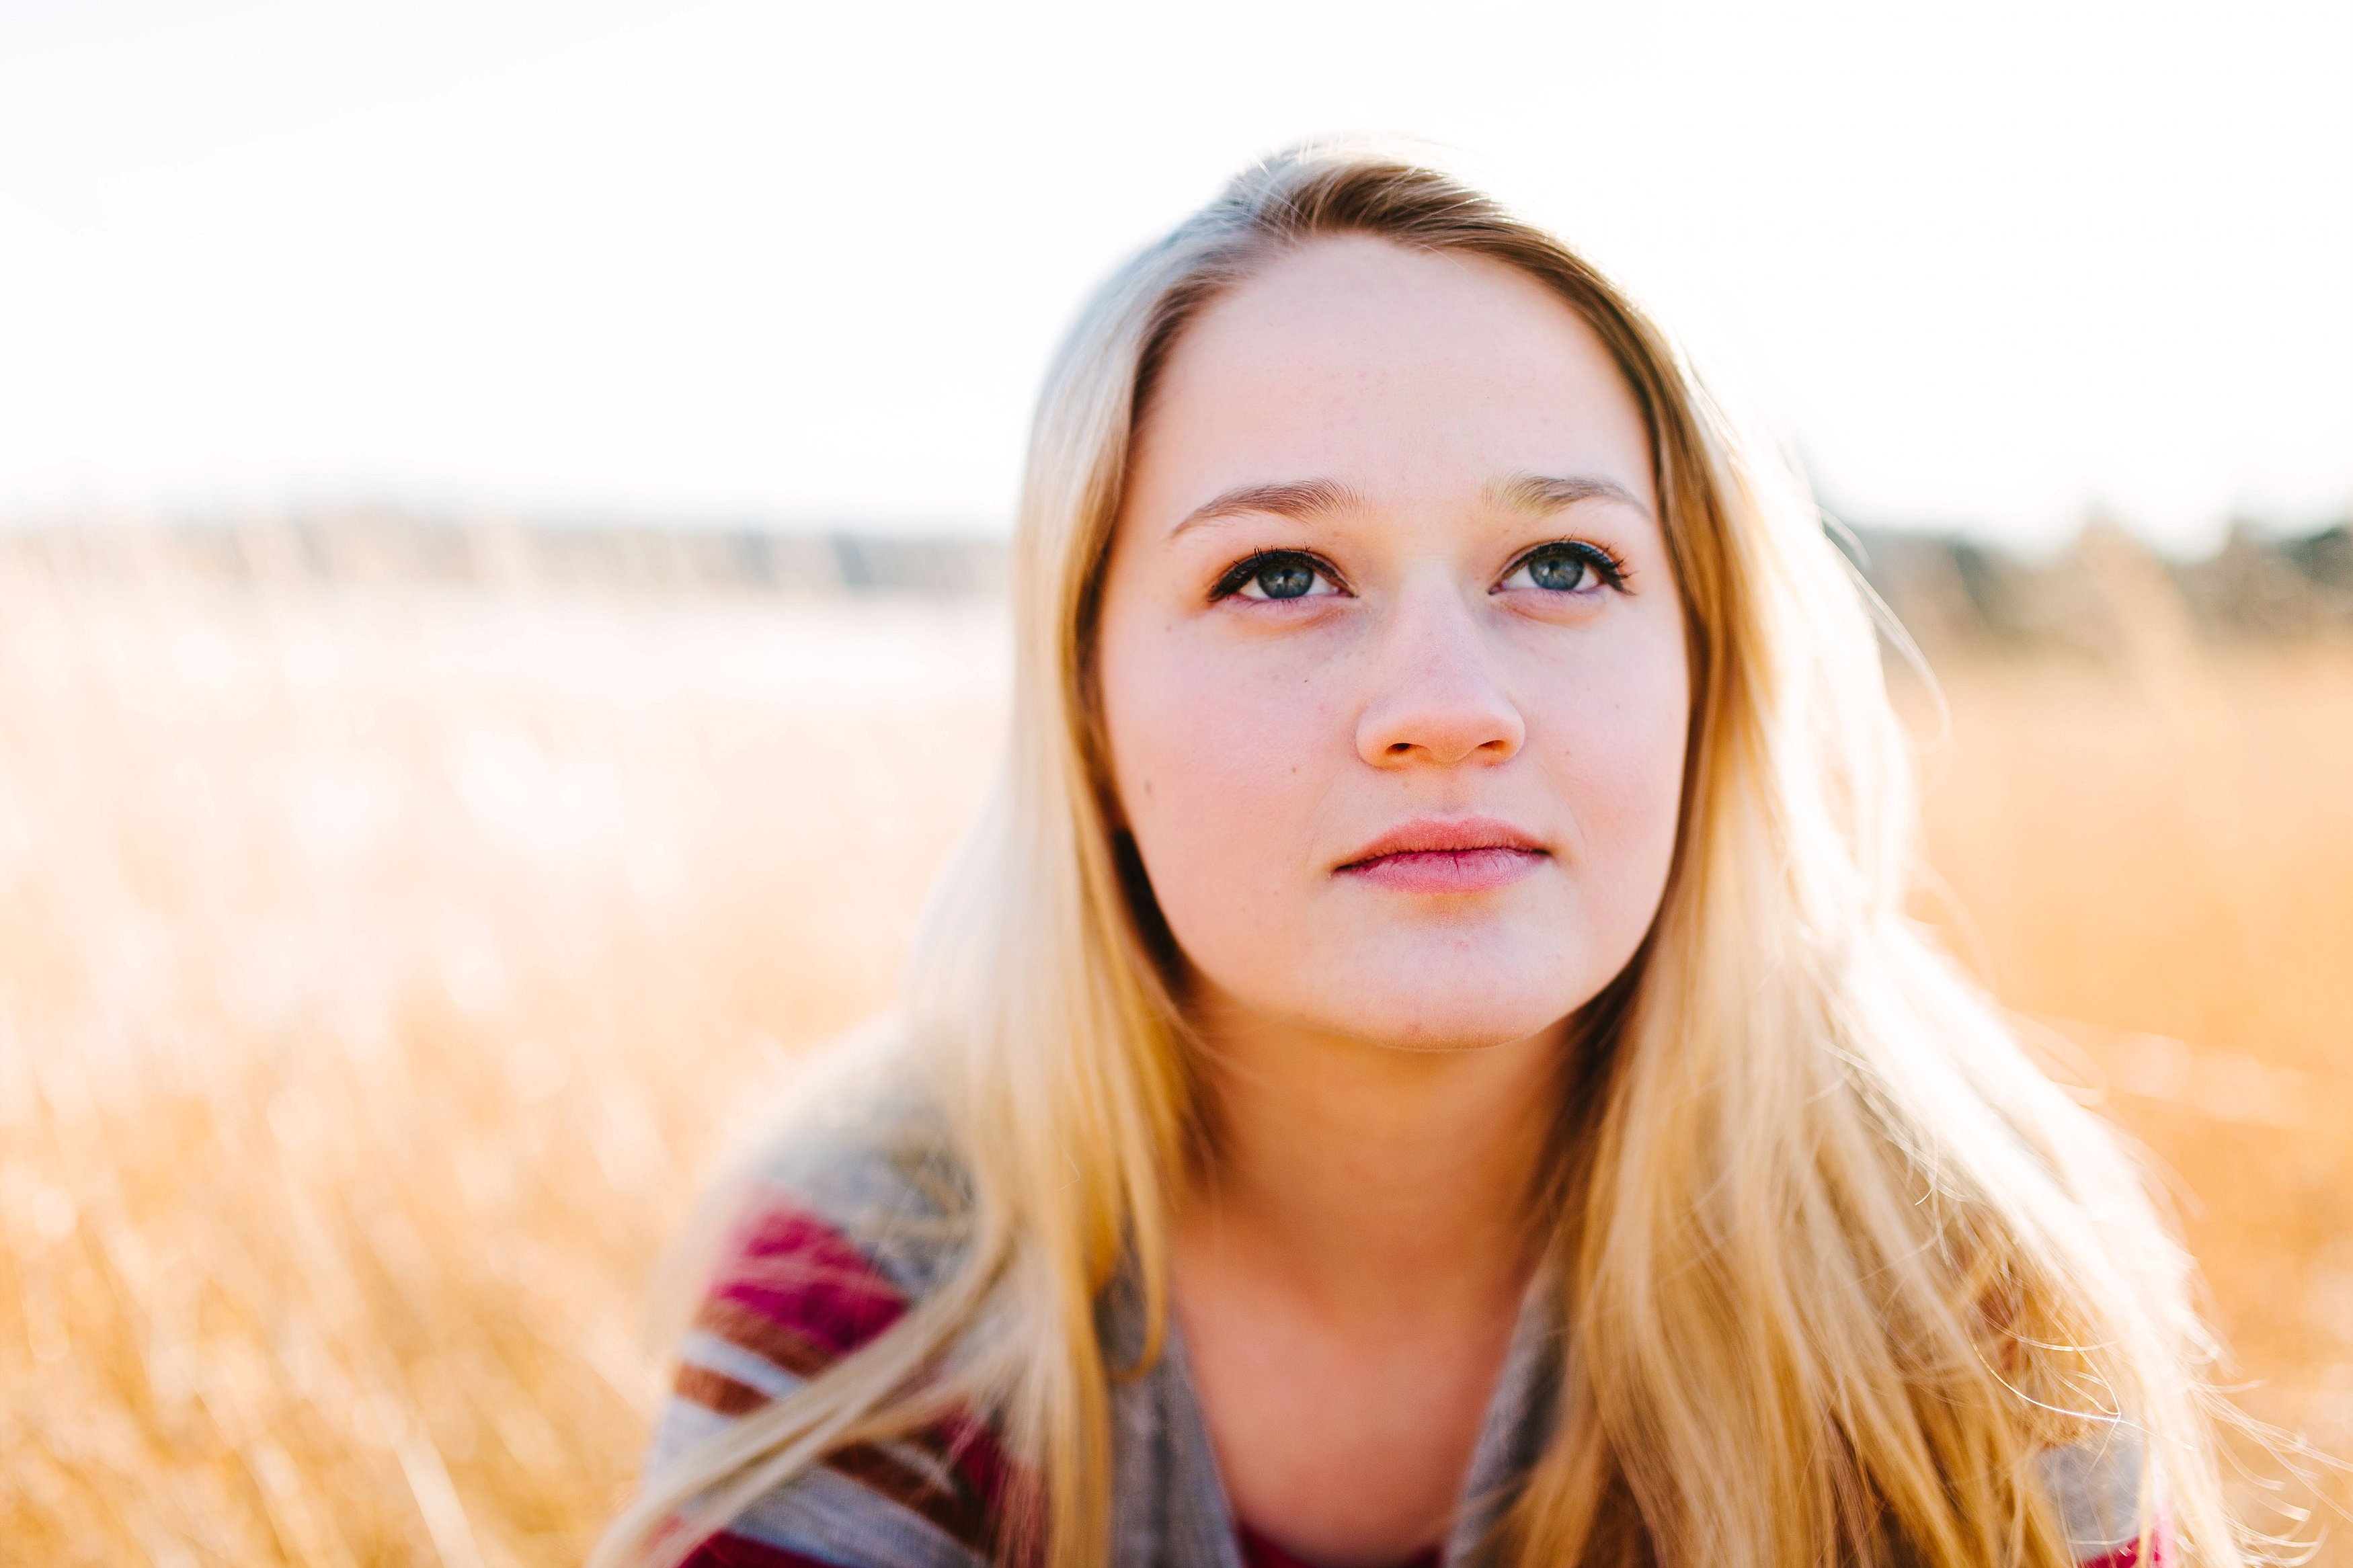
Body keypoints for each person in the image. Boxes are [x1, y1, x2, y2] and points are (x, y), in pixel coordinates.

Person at [594, 144, 2239, 1568]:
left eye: (1564, 563)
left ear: (1709, 674)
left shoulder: (1936, 1279)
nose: (1444, 711)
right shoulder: (888, 1282)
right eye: (1281, 577)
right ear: (1089, 718)